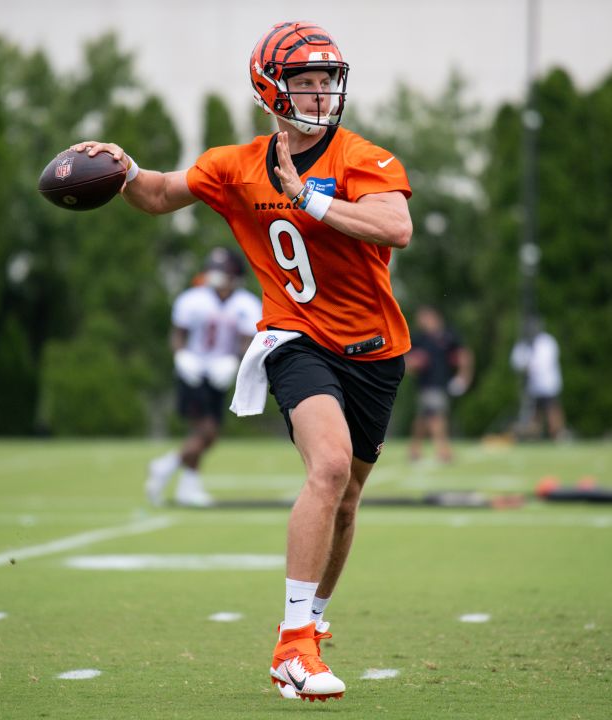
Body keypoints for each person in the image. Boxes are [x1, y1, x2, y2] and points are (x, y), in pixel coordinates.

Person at [72, 20, 412, 702]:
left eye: (326, 80)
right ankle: (291, 647)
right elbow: (162, 195)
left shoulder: (365, 158)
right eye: (305, 81)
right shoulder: (234, 165)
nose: (319, 93)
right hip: (294, 338)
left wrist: (312, 197)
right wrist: (125, 169)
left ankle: (310, 627)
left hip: (376, 350)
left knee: (347, 502)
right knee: (330, 466)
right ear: (271, 89)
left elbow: (394, 226)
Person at [145, 247, 261, 507]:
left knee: (207, 432)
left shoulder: (246, 304)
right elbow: (177, 334)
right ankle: (165, 467)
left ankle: (187, 484)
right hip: (194, 371)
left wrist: (234, 360)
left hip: (220, 371)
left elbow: (246, 340)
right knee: (206, 431)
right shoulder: (192, 299)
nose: (217, 278)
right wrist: (181, 357)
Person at [406, 305, 473, 463]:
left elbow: (464, 355)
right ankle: (442, 451)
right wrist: (414, 364)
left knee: (425, 417)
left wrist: (463, 377)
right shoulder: (418, 338)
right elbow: (406, 361)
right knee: (435, 415)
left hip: (441, 383)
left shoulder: (448, 336)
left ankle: (414, 450)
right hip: (426, 384)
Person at [511, 317, 567, 440]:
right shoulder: (524, 343)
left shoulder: (547, 342)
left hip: (548, 384)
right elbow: (516, 361)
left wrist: (529, 365)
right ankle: (534, 436)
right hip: (533, 386)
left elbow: (543, 363)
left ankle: (558, 434)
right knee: (535, 414)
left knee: (552, 409)